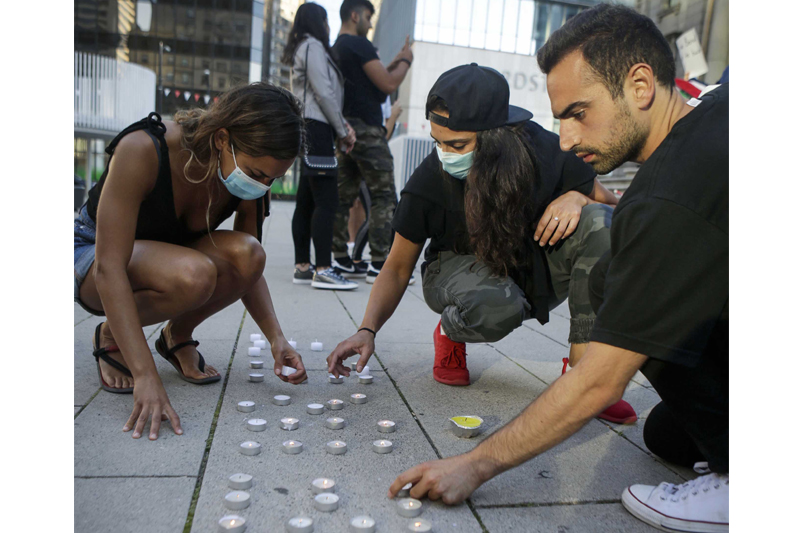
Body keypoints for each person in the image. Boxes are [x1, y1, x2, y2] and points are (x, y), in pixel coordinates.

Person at [386, 6, 729, 533]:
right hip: (469, 278)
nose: (566, 139)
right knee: (667, 435)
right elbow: (397, 265)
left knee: (619, 266)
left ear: (640, 85)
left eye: (578, 113)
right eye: (559, 120)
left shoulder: (666, 199)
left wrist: (473, 464)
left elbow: (603, 382)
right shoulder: (717, 113)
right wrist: (368, 330)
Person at [327, 63, 636, 425]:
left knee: (600, 224)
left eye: (457, 144)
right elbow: (396, 267)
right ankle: (449, 330)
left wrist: (581, 199)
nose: (445, 154)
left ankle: (585, 376)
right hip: (455, 269)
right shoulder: (429, 179)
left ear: (497, 136)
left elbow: (618, 209)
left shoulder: (542, 150)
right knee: (496, 307)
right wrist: (367, 330)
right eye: (437, 142)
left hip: (526, 266)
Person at [74, 83, 309, 441]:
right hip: (93, 255)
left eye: (272, 178)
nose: (263, 185)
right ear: (221, 139)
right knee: (194, 273)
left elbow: (249, 270)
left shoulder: (249, 178)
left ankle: (176, 335)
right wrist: (144, 375)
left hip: (169, 257)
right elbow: (109, 268)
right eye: (257, 173)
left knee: (249, 253)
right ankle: (111, 335)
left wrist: (277, 339)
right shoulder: (143, 149)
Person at [330, 0, 413, 283]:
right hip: (366, 130)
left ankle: (340, 258)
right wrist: (407, 60)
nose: (370, 22)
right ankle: (380, 262)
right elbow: (388, 84)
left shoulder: (338, 48)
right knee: (384, 196)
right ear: (355, 15)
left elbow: (374, 77)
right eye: (368, 16)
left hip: (345, 130)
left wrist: (395, 60)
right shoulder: (359, 44)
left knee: (343, 196)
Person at [284, 2, 358, 290]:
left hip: (308, 127)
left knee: (306, 200)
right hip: (317, 127)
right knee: (327, 201)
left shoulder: (302, 46)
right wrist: (343, 131)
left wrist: (340, 127)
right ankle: (324, 269)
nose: (329, 27)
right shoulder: (313, 47)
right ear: (317, 22)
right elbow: (324, 93)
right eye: (326, 21)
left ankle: (303, 267)